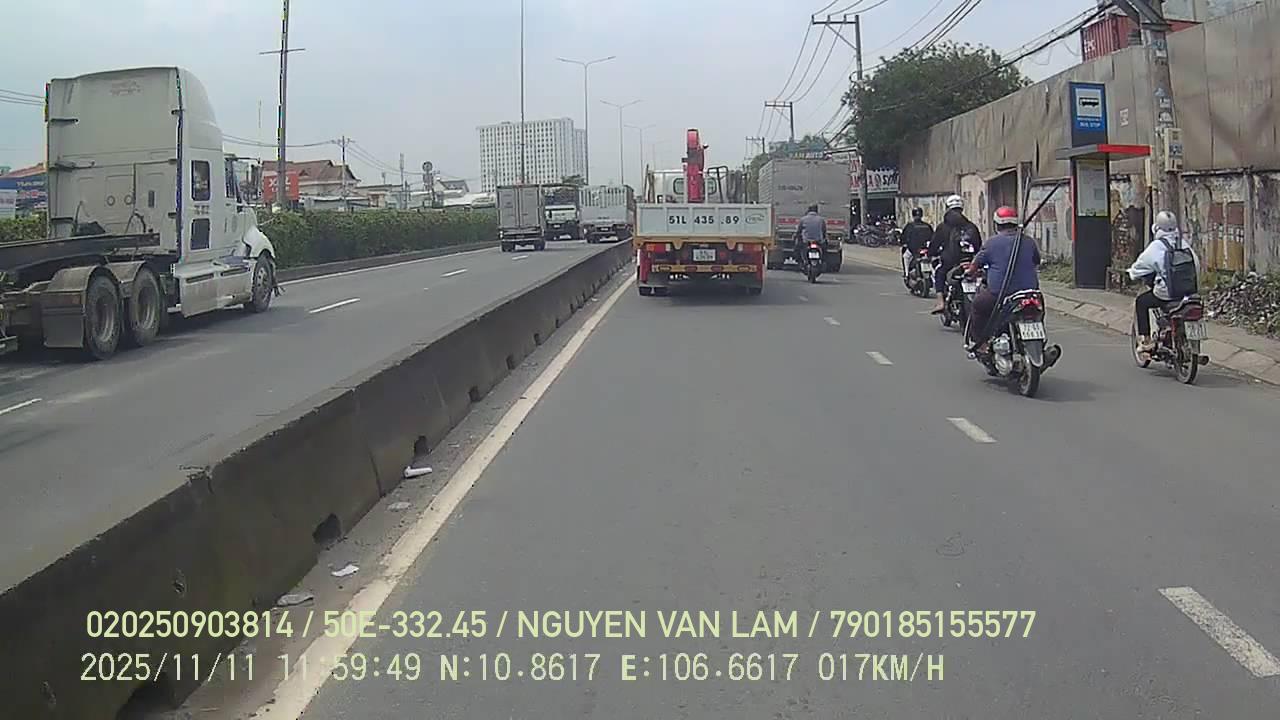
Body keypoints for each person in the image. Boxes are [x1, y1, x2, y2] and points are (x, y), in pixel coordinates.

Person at [965, 206, 1041, 352]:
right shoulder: (1029, 242)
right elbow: (1036, 260)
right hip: (1031, 293)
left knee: (977, 306)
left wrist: (969, 272)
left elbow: (975, 265)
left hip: (1000, 293)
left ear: (997, 225)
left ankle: (980, 344)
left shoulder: (991, 243)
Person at [1127, 210, 1201, 359]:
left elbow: (1139, 267)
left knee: (1141, 302)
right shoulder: (1184, 244)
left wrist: (1132, 273)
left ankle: (1146, 341)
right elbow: (1197, 266)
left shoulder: (1156, 246)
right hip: (1188, 293)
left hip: (1167, 294)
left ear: (1156, 228)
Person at [929, 195, 983, 313]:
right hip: (971, 262)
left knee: (939, 273)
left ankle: (940, 302)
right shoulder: (971, 226)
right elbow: (979, 245)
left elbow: (934, 244)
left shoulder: (943, 227)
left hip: (951, 262)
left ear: (948, 208)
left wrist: (931, 253)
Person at [900, 207, 933, 278]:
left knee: (906, 257)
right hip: (926, 249)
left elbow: (903, 237)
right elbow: (932, 237)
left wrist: (903, 243)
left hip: (914, 250)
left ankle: (906, 274)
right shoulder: (927, 226)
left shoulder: (910, 226)